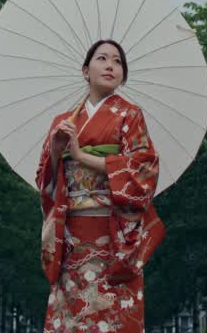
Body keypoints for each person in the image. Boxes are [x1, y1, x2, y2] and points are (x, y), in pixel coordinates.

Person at [36, 39, 165, 333]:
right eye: (102, 58)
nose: (110, 65)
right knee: (73, 316)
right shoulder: (63, 122)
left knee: (115, 315)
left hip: (114, 235)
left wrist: (81, 156)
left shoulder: (131, 115)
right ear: (85, 70)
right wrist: (56, 151)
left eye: (118, 61)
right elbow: (46, 186)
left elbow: (143, 171)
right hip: (73, 238)